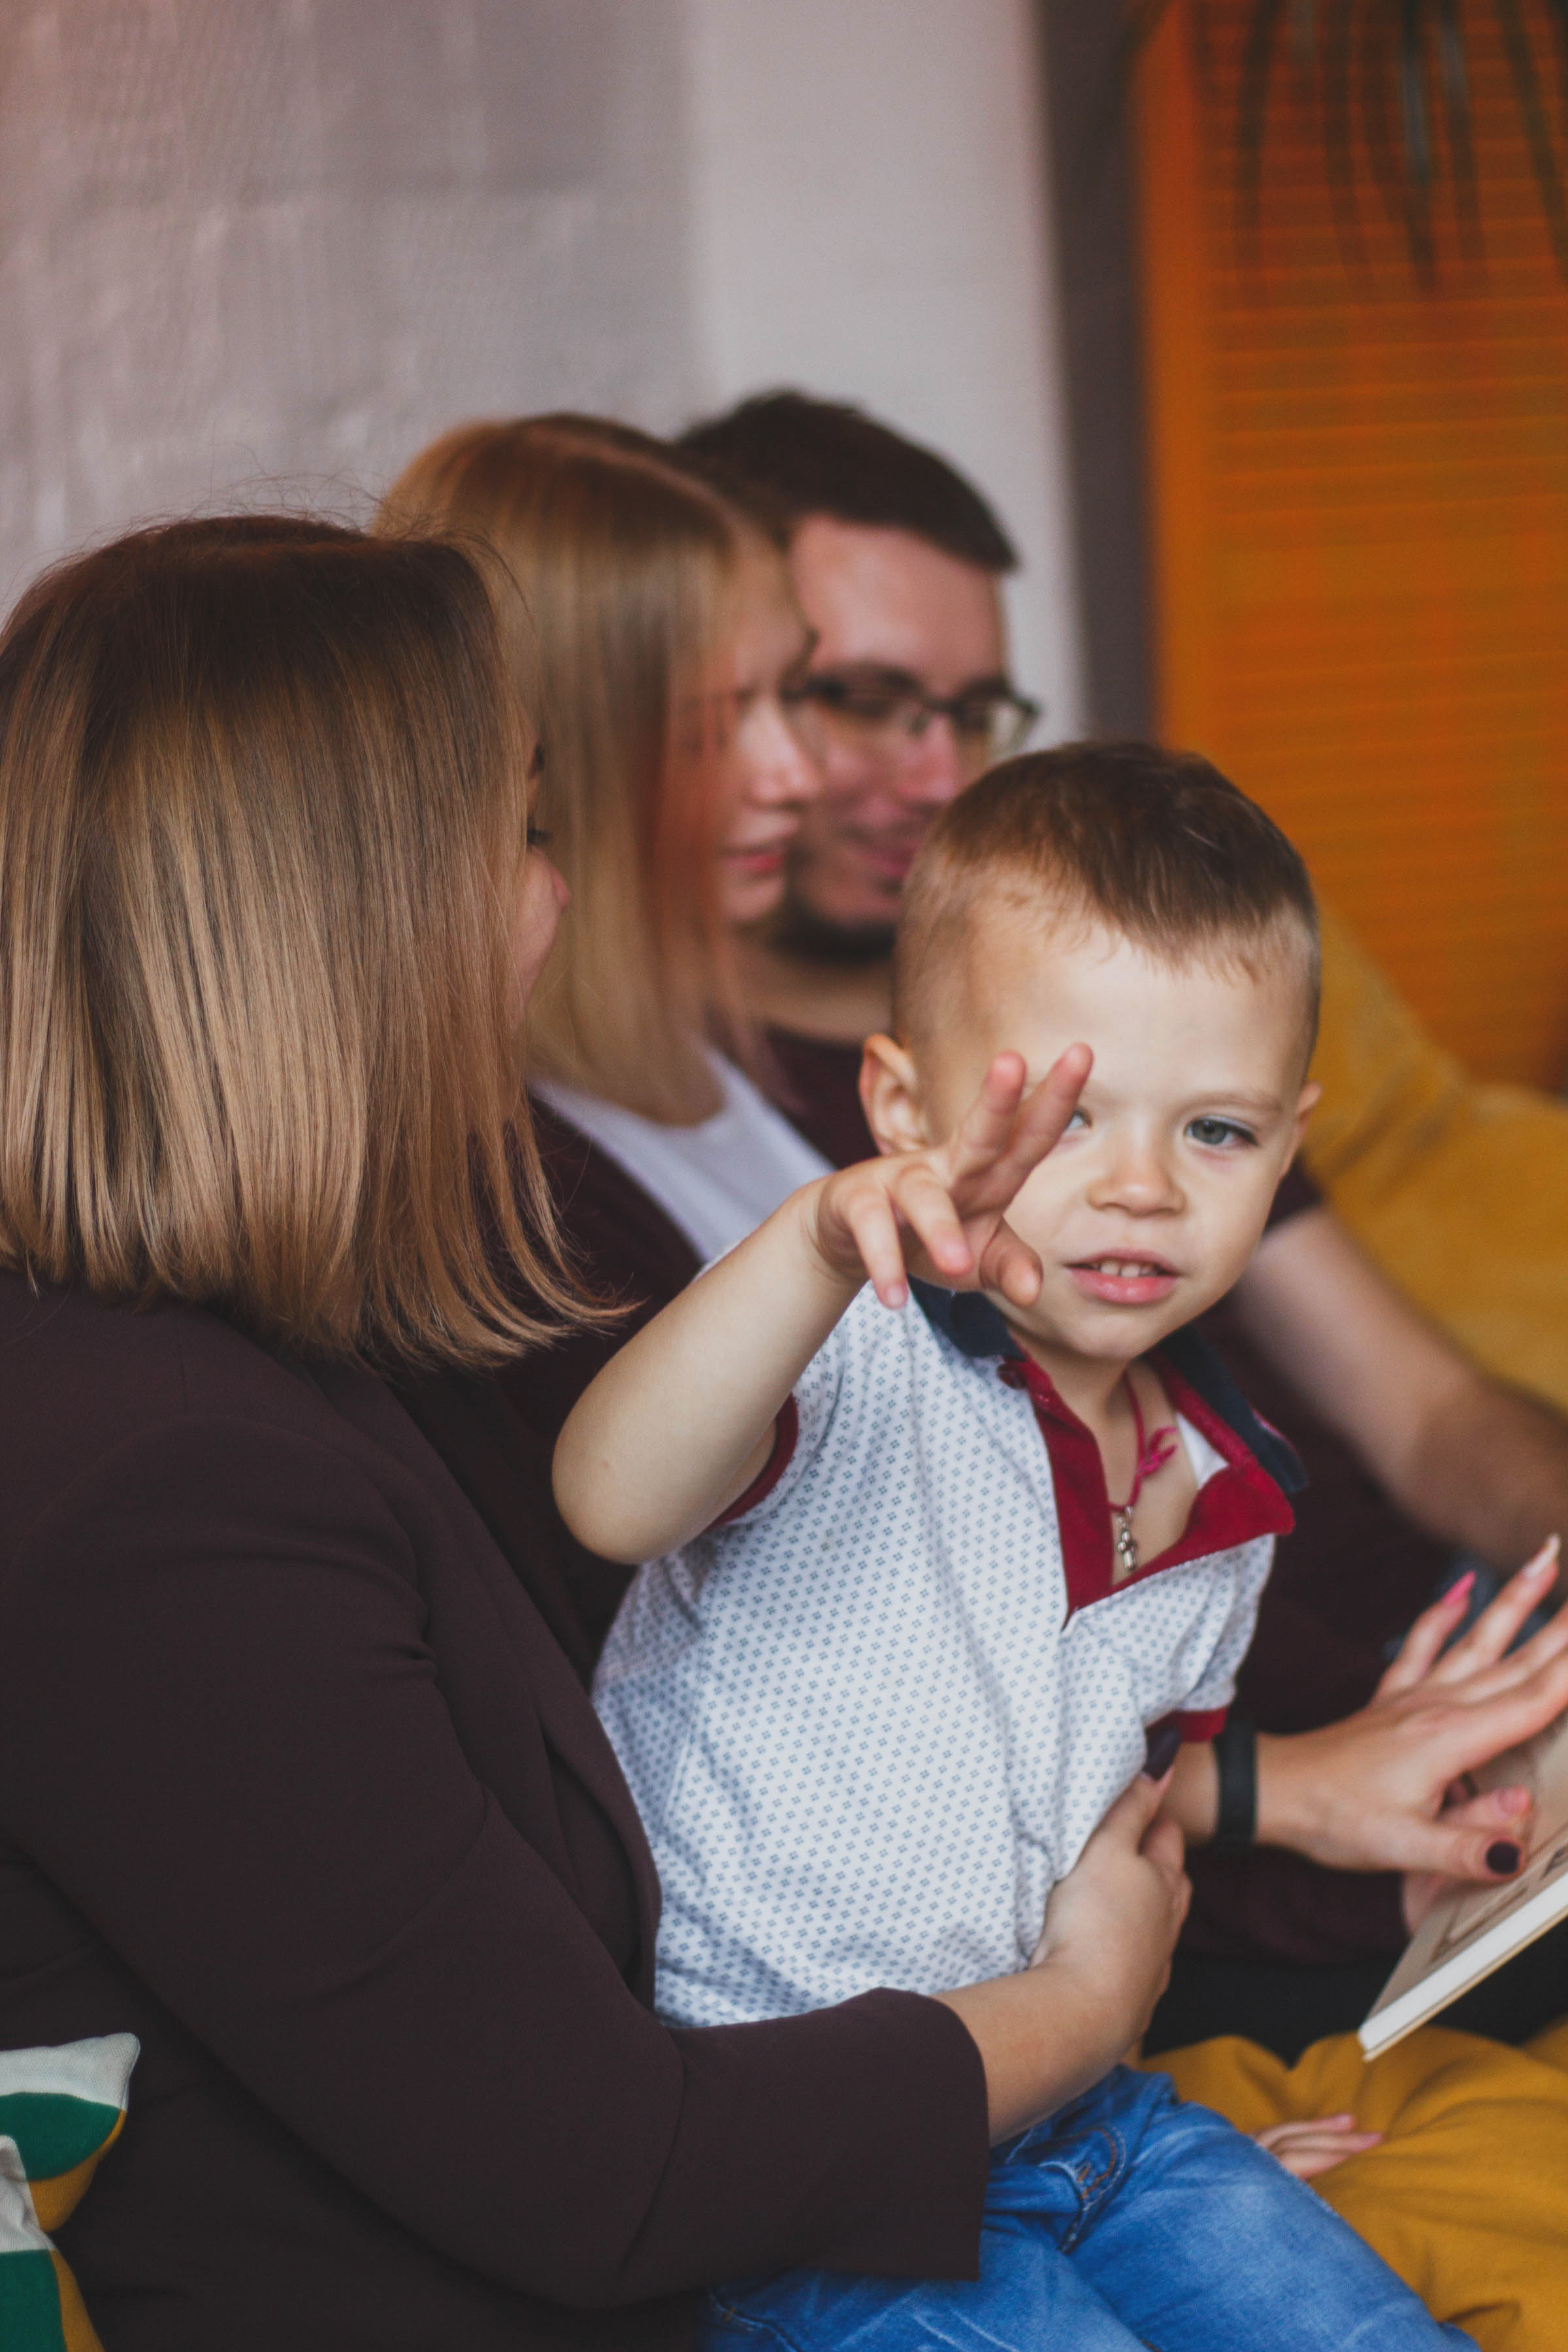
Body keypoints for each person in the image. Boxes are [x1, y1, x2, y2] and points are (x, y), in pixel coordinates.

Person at [0, 513, 1188, 2349]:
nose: (559, 899)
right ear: (357, 925)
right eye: (528, 833)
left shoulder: (305, 1353)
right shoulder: (155, 1489)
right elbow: (610, 2168)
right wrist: (1084, 2017)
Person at [555, 748, 1555, 2350]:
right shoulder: (850, 1351)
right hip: (815, 2162)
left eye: (1217, 1133)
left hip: (1090, 2119)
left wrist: (1303, 1794)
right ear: (903, 1109)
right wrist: (811, 1243)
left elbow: (1071, 1777)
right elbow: (612, 1496)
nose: (1144, 1187)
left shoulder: (1227, 1476)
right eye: (1069, 1112)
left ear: (1290, 1149)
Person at [678, 389, 1568, 2050]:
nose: (931, 772)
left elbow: (1427, 1406)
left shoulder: (1142, 1033)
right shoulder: (754, 1157)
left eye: (967, 708)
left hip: (1430, 1647)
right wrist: (1287, 1788)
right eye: (861, 700)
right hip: (1230, 1826)